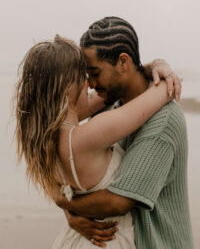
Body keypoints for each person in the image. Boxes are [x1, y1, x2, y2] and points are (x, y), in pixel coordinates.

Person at [16, 34, 174, 249]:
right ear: (66, 87)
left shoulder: (40, 138)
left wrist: (144, 67)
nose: (90, 84)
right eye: (83, 76)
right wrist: (161, 67)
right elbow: (163, 92)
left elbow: (109, 94)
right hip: (108, 241)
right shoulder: (90, 135)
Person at [54, 17, 194, 249]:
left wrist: (67, 205)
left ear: (123, 61)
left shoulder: (164, 121)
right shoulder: (110, 104)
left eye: (95, 72)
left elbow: (119, 201)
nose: (90, 83)